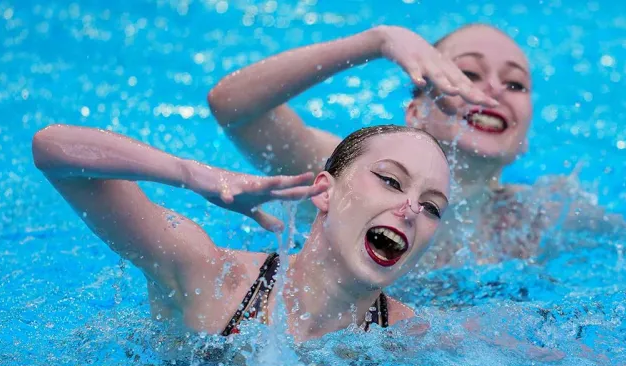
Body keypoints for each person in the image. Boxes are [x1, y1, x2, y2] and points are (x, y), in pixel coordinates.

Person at [208, 24, 605, 265]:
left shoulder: (545, 213)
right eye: (468, 73)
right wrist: (376, 42)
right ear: (416, 112)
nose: (494, 89)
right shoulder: (354, 171)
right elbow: (233, 107)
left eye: (515, 84)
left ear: (523, 141)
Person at [32, 124, 451, 342]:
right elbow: (52, 150)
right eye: (391, 181)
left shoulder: (409, 336)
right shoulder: (212, 280)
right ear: (324, 192)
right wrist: (192, 175)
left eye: (432, 206)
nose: (412, 209)